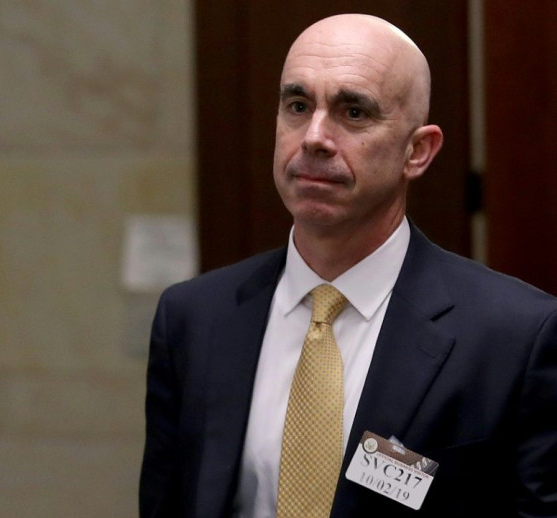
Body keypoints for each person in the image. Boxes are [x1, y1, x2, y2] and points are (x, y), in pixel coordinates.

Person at [139, 13, 557, 518]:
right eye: (297, 106)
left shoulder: (515, 335)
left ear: (418, 151)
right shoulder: (193, 318)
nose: (314, 136)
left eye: (353, 112)